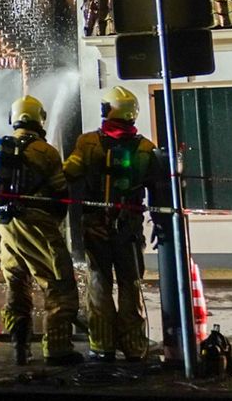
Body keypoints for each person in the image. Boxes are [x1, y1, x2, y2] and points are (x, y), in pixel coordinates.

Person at [63, 86, 163, 362]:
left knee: (98, 283)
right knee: (130, 284)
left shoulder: (87, 143)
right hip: (129, 229)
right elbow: (157, 190)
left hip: (95, 228)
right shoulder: (145, 148)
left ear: (109, 110)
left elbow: (68, 174)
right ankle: (133, 345)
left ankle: (102, 345)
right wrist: (159, 224)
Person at [0, 96, 83, 366]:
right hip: (36, 224)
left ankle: (20, 345)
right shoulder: (46, 151)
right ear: (39, 119)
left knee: (16, 285)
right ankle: (57, 349)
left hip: (6, 227)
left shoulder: (1, 149)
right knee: (59, 284)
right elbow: (60, 192)